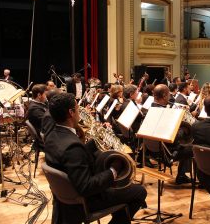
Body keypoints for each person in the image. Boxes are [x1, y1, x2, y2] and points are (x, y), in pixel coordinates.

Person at [45, 93, 147, 224]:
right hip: (84, 202)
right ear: (71, 112)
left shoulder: (52, 135)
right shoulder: (73, 147)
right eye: (77, 109)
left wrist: (94, 142)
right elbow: (86, 187)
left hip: (65, 197)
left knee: (122, 187)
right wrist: (113, 170)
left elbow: (71, 158)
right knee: (139, 191)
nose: (79, 113)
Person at [151, 84, 193, 184]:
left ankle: (182, 174)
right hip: (167, 152)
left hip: (155, 149)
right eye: (169, 95)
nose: (170, 97)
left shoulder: (152, 108)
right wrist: (184, 128)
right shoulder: (162, 112)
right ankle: (182, 176)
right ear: (165, 96)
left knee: (187, 144)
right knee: (194, 147)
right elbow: (173, 136)